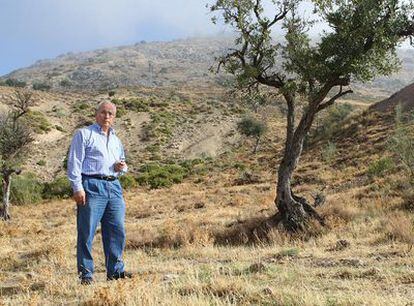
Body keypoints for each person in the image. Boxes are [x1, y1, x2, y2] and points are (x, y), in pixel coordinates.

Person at [67, 101, 131, 285]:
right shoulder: (84, 134)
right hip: (91, 185)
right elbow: (74, 163)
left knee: (117, 230)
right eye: (103, 112)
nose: (107, 116)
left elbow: (122, 163)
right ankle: (86, 275)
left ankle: (116, 272)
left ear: (114, 117)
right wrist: (77, 188)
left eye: (111, 113)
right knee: (87, 231)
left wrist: (122, 168)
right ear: (96, 114)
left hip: (114, 186)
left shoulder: (116, 140)